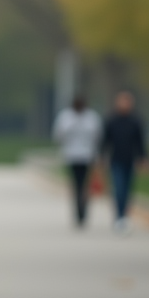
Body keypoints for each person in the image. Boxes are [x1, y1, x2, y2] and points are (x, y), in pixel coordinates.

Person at [101, 91, 149, 235]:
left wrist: (143, 157)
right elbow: (105, 140)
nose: (125, 104)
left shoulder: (136, 121)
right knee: (119, 189)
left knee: (128, 190)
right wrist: (102, 156)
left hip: (130, 160)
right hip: (116, 160)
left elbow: (141, 141)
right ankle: (119, 217)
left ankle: (124, 216)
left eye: (127, 102)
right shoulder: (112, 120)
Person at [51, 95, 103, 228]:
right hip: (72, 156)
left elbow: (98, 136)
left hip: (87, 156)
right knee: (76, 184)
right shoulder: (66, 117)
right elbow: (58, 135)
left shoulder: (92, 117)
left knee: (84, 185)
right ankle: (77, 210)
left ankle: (83, 209)